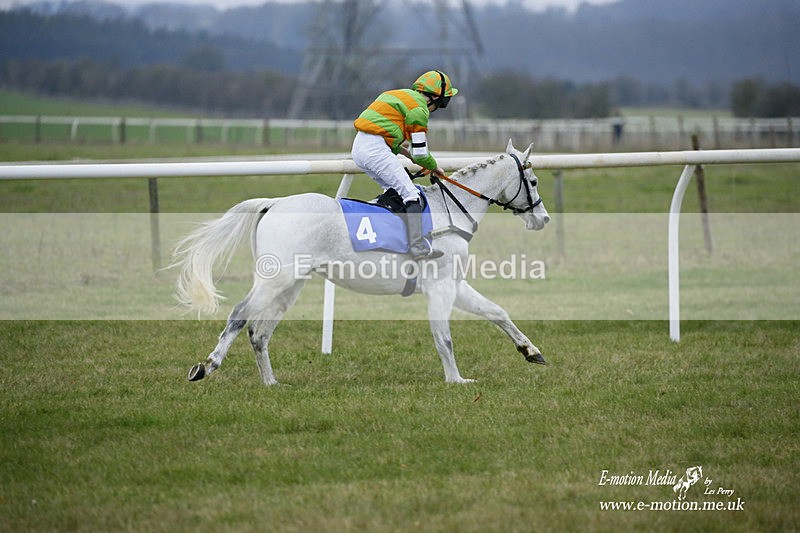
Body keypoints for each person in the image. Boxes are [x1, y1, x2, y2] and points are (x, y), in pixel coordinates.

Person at [351, 70, 458, 260]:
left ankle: (388, 237)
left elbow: (393, 140)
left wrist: (410, 155)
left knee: (394, 191)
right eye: (441, 103)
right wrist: (434, 167)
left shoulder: (396, 95)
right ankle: (417, 247)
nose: (437, 109)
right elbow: (421, 152)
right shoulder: (419, 108)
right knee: (411, 194)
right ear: (434, 97)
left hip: (360, 147)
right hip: (376, 150)